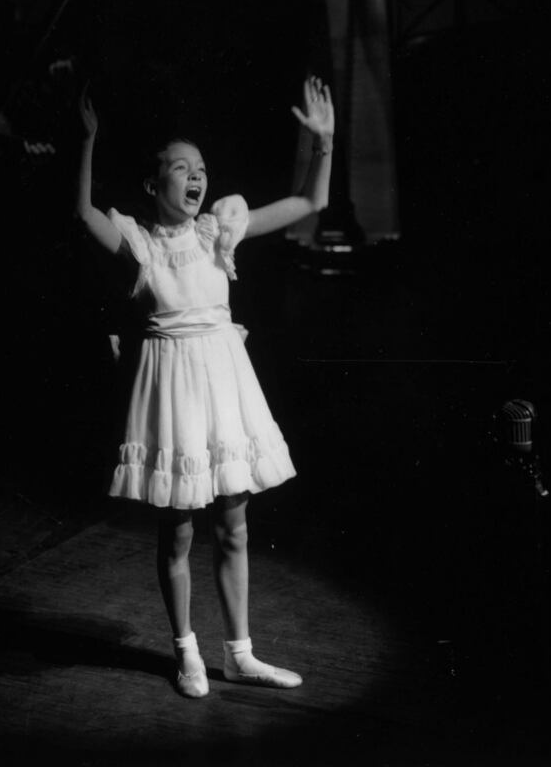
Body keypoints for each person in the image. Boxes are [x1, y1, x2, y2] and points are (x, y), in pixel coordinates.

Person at [73, 75, 334, 698]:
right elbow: (80, 213)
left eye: (202, 169)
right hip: (173, 390)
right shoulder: (140, 245)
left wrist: (323, 145)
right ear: (151, 183)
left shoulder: (219, 231)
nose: (196, 177)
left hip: (222, 382)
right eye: (181, 168)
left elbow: (307, 204)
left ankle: (241, 652)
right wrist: (85, 142)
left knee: (235, 523)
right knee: (181, 529)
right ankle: (187, 650)